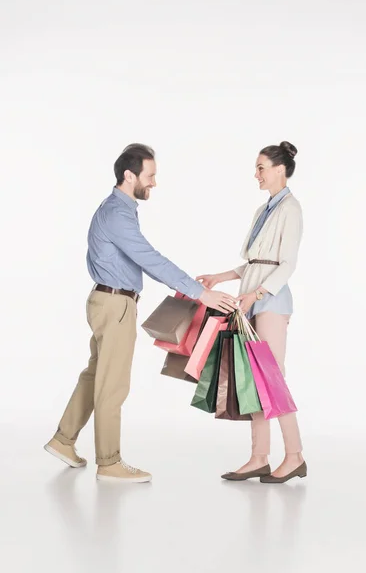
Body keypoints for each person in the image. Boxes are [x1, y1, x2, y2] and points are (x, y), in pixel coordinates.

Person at [44, 143, 236, 483]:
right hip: (115, 305)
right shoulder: (117, 213)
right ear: (129, 175)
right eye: (150, 176)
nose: (154, 183)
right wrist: (201, 293)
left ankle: (63, 440)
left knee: (95, 376)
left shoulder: (119, 210)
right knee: (112, 384)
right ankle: (109, 462)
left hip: (108, 302)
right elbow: (149, 259)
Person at [197, 141, 307, 484]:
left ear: (280, 169)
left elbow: (286, 265)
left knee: (272, 379)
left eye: (261, 167)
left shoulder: (291, 208)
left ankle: (294, 456)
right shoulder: (264, 211)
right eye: (257, 168)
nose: (256, 174)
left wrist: (256, 293)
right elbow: (255, 263)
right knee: (256, 381)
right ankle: (259, 457)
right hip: (253, 299)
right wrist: (223, 276)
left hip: (271, 302)